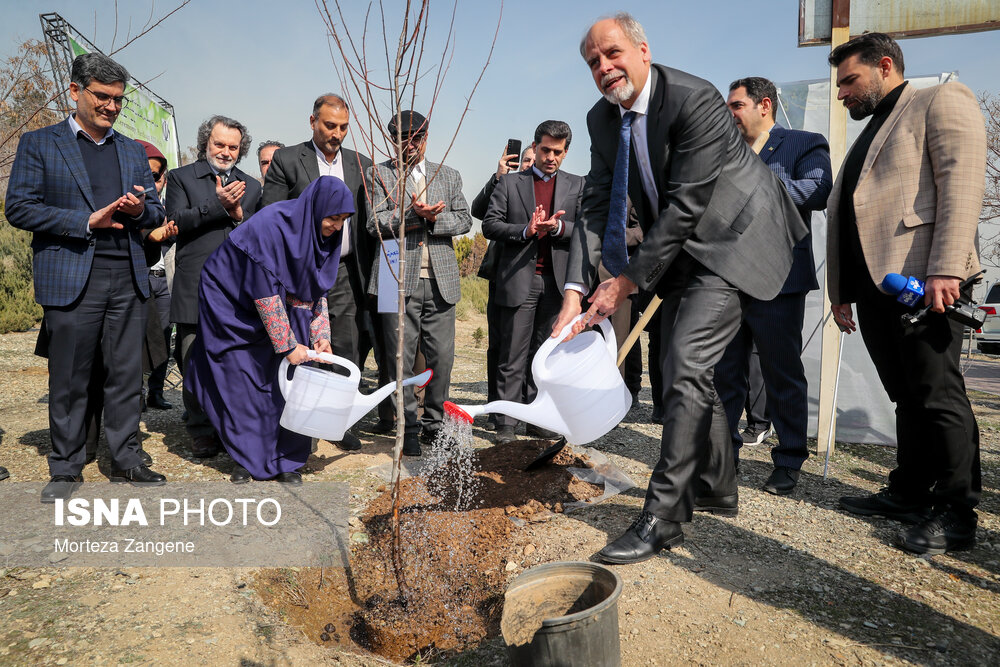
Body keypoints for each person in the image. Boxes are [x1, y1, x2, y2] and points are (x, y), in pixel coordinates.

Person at [552, 13, 806, 563]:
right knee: (694, 368)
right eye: (593, 61)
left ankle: (663, 517)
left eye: (613, 53)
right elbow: (596, 203)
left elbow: (689, 203)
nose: (604, 67)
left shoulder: (696, 98)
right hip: (685, 249)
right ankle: (716, 484)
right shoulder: (601, 119)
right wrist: (575, 288)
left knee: (684, 361)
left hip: (737, 236)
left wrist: (624, 282)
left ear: (643, 50)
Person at [827, 33, 985, 555]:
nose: (842, 93)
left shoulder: (938, 100)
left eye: (849, 80)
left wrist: (945, 269)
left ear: (885, 66)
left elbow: (961, 184)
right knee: (906, 395)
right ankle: (911, 492)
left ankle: (958, 513)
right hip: (876, 288)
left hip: (924, 281)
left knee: (938, 395)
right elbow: (860, 211)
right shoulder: (872, 127)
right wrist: (843, 290)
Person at [6, 52, 168, 502]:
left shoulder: (133, 151)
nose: (111, 107)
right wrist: (85, 221)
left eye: (118, 100)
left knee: (124, 376)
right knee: (70, 377)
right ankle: (65, 467)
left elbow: (156, 210)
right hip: (71, 279)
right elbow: (19, 207)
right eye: (102, 97)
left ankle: (127, 459)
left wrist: (140, 211)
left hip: (128, 278)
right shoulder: (40, 144)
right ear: (75, 91)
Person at [187, 176, 352, 484]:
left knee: (288, 381)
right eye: (333, 218)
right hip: (232, 304)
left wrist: (321, 336)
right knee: (244, 380)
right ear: (315, 211)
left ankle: (287, 460)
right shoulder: (271, 227)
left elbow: (317, 289)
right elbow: (264, 292)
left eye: (344, 220)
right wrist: (289, 346)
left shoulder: (322, 235)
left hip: (277, 301)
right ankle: (247, 459)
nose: (337, 226)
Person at [714, 76, 833, 494]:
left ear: (764, 105)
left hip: (780, 280)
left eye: (736, 105)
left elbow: (817, 189)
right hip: (726, 278)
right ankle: (722, 456)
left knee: (781, 372)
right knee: (725, 371)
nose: (728, 113)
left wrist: (755, 190)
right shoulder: (722, 151)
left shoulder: (804, 142)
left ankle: (788, 459)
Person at [262, 94, 374, 451]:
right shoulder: (288, 160)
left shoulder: (362, 165)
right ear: (312, 121)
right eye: (329, 125)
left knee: (344, 345)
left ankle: (336, 421)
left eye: (342, 127)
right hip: (298, 273)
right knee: (300, 344)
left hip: (345, 269)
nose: (336, 133)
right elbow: (272, 214)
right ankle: (299, 422)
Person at [367, 110, 473, 456]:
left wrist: (436, 218)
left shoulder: (449, 175)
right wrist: (413, 216)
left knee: (441, 358)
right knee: (401, 358)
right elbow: (375, 225)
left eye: (416, 138)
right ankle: (407, 429)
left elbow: (464, 219)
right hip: (395, 279)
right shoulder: (378, 175)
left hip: (441, 280)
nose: (409, 146)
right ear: (392, 140)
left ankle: (434, 426)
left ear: (426, 138)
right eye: (402, 139)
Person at [483, 120, 583, 445]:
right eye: (545, 150)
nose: (551, 157)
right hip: (518, 280)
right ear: (535, 147)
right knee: (512, 355)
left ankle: (538, 419)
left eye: (558, 152)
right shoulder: (511, 183)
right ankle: (506, 424)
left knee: (545, 357)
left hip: (557, 284)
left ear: (566, 153)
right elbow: (490, 224)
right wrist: (525, 230)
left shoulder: (577, 185)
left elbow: (584, 228)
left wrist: (557, 229)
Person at [168, 115, 262, 459]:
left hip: (236, 289)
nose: (225, 152)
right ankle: (200, 429)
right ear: (205, 143)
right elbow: (176, 222)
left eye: (232, 147)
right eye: (218, 144)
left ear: (241, 150)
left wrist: (238, 215)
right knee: (192, 356)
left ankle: (228, 428)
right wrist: (216, 205)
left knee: (233, 361)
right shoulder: (181, 178)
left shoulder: (252, 187)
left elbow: (260, 233)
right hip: (195, 282)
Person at [471, 144, 535, 432]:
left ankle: (525, 408)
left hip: (536, 280)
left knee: (531, 348)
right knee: (500, 345)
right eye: (525, 160)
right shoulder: (508, 185)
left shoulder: (549, 189)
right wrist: (498, 177)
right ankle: (498, 410)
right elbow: (479, 212)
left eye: (534, 160)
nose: (529, 165)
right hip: (503, 277)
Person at [136, 140, 178, 412]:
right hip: (140, 277)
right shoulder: (136, 206)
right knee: (137, 338)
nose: (156, 181)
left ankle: (156, 392)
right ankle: (136, 393)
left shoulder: (172, 204)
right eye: (151, 176)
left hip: (165, 280)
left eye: (159, 176)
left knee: (163, 337)